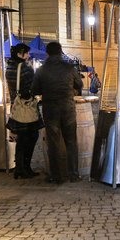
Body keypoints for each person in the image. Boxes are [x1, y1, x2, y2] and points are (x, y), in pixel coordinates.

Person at [31, 41, 83, 184]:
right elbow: (80, 84)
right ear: (60, 52)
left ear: (47, 53)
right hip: (68, 109)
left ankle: (56, 175)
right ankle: (74, 174)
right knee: (71, 142)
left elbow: (34, 90)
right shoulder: (70, 68)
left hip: (50, 110)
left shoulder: (41, 70)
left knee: (53, 143)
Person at [5, 43, 41, 179]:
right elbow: (33, 88)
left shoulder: (9, 67)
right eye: (27, 53)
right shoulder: (25, 68)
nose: (29, 55)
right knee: (31, 136)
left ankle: (19, 168)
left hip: (16, 106)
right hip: (26, 107)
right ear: (20, 54)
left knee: (21, 138)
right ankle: (25, 167)